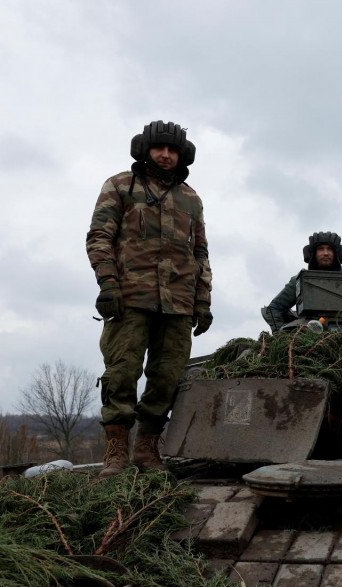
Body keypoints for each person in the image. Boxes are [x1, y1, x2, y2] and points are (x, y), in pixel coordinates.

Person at [86, 120, 213, 477]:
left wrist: (202, 301)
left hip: (178, 303)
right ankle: (116, 453)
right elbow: (98, 236)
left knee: (168, 376)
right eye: (160, 148)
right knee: (122, 372)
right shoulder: (120, 186)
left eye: (173, 150)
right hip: (130, 297)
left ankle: (147, 449)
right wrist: (108, 283)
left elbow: (200, 253)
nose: (166, 155)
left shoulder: (191, 199)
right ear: (145, 149)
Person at [262, 231, 342, 332]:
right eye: (321, 249)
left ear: (336, 253)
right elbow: (274, 309)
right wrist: (282, 336)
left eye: (329, 249)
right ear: (313, 253)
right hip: (309, 335)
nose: (325, 253)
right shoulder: (300, 281)